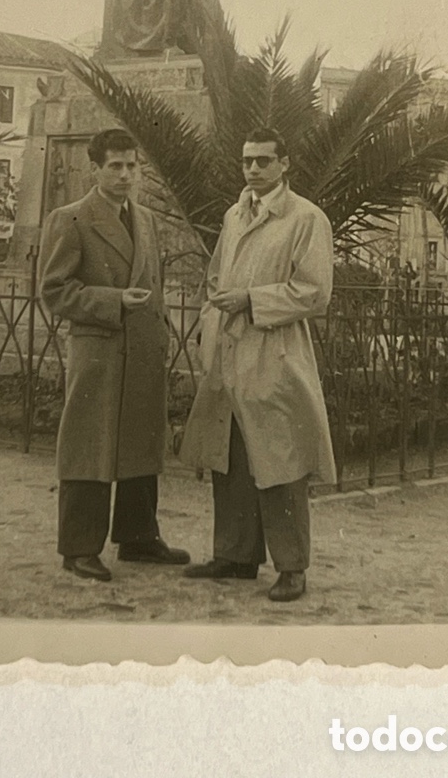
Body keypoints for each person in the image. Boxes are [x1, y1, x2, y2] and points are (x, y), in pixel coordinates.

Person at [179, 128, 336, 602]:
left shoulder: (306, 218)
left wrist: (251, 299)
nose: (253, 169)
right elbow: (216, 276)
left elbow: (314, 292)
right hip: (230, 349)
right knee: (229, 454)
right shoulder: (235, 214)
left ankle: (292, 567)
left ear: (284, 164)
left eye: (264, 161)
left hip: (275, 351)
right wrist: (215, 313)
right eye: (247, 160)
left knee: (280, 459)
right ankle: (235, 555)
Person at [39, 128, 190, 581]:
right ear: (95, 169)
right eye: (115, 166)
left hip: (142, 349)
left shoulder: (145, 219)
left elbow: (155, 283)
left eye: (132, 166)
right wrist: (113, 301)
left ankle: (138, 538)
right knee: (91, 444)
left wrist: (162, 332)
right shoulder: (71, 219)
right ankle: (79, 548)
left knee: (141, 443)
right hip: (100, 350)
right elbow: (54, 291)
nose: (125, 175)